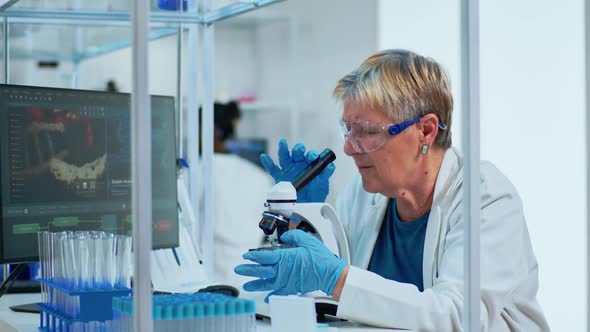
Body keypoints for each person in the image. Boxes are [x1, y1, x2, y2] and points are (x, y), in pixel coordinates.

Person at [234, 49, 550, 331]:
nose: (348, 148)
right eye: (348, 129)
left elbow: (459, 317)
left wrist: (337, 278)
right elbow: (331, 292)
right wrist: (304, 216)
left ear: (426, 130)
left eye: (367, 132)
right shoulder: (365, 194)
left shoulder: (485, 199)